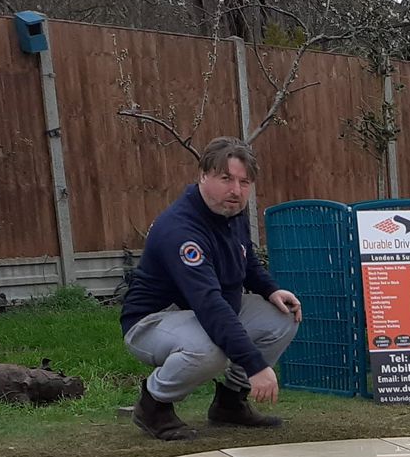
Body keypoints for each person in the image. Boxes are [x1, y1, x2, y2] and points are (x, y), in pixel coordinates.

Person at [121, 137, 304, 441]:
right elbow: (209, 305)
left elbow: (247, 260)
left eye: (244, 182)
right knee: (210, 348)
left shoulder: (232, 212)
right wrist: (255, 366)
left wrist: (270, 290)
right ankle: (153, 404)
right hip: (152, 322)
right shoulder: (181, 230)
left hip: (208, 311)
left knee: (283, 317)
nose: (236, 190)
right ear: (203, 176)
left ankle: (230, 403)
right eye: (226, 179)